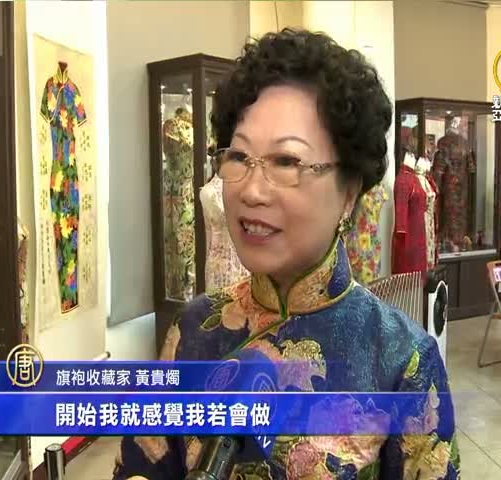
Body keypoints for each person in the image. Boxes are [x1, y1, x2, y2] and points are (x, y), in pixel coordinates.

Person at [113, 29, 459, 479]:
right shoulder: (194, 329)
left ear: (349, 192)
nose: (252, 191)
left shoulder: (401, 359)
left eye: (286, 162)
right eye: (239, 157)